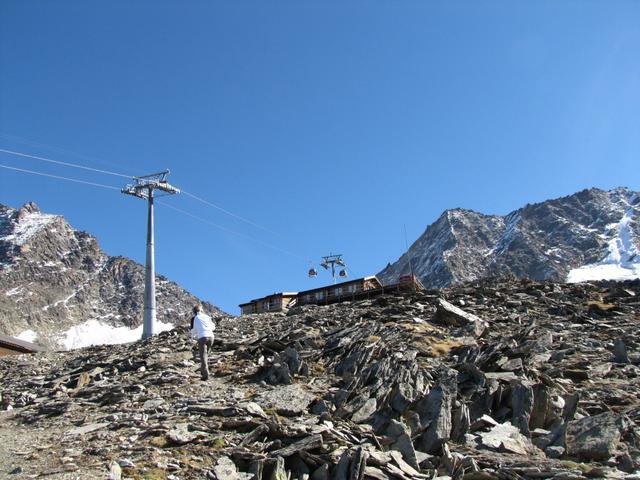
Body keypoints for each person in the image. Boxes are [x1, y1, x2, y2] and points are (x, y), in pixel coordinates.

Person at [190, 304, 216, 380]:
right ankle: (203, 370)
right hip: (211, 337)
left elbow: (193, 331)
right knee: (207, 354)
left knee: (203, 357)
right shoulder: (207, 317)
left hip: (202, 337)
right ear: (201, 310)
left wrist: (193, 336)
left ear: (194, 312)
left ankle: (205, 375)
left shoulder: (194, 318)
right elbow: (213, 327)